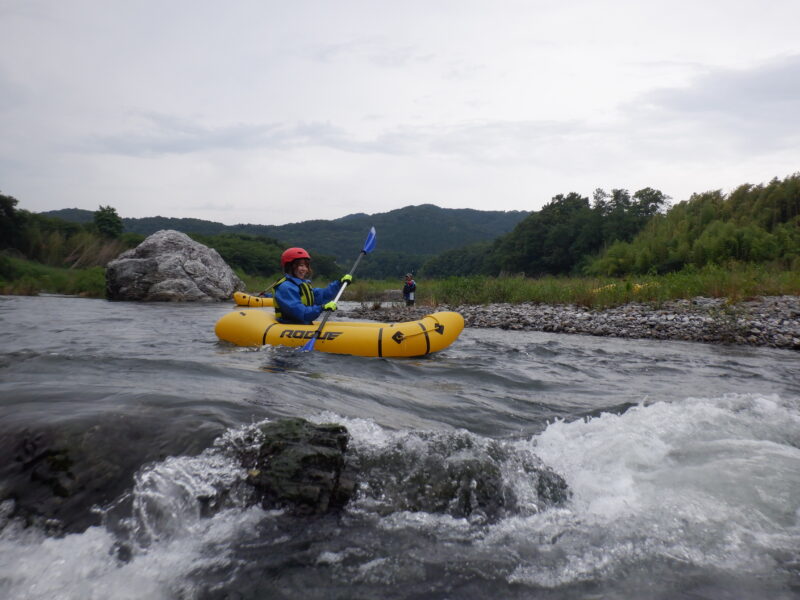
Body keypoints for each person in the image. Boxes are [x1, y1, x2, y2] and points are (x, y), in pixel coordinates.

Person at [272, 247, 352, 324]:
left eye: (306, 266)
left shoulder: (302, 285)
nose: (305, 269)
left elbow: (324, 295)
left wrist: (340, 283)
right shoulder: (286, 287)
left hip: (302, 324)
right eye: (301, 265)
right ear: (289, 266)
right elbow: (300, 312)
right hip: (290, 326)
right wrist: (322, 308)